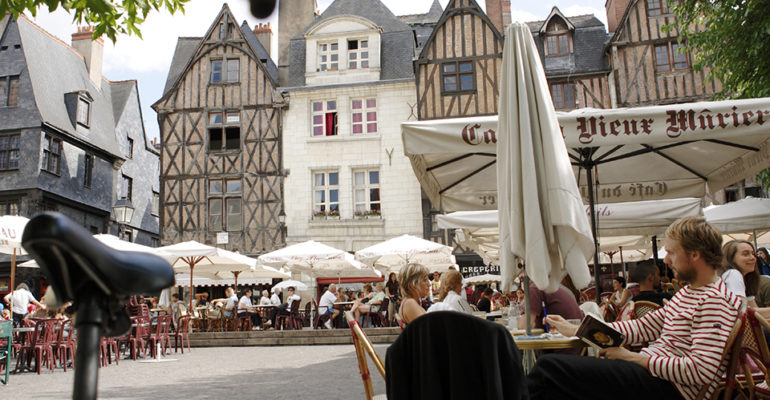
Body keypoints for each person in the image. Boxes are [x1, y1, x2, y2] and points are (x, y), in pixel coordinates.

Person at [528, 216, 742, 400]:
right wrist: (578, 330)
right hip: (654, 377)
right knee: (556, 382)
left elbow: (700, 371)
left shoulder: (715, 300)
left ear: (695, 254)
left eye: (672, 252)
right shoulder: (689, 292)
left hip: (672, 389)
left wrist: (634, 358)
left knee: (549, 370)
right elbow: (641, 328)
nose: (666, 260)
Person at [518, 281, 582, 331]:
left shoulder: (535, 288)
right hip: (575, 342)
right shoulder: (552, 286)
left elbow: (524, 327)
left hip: (561, 344)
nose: (520, 276)